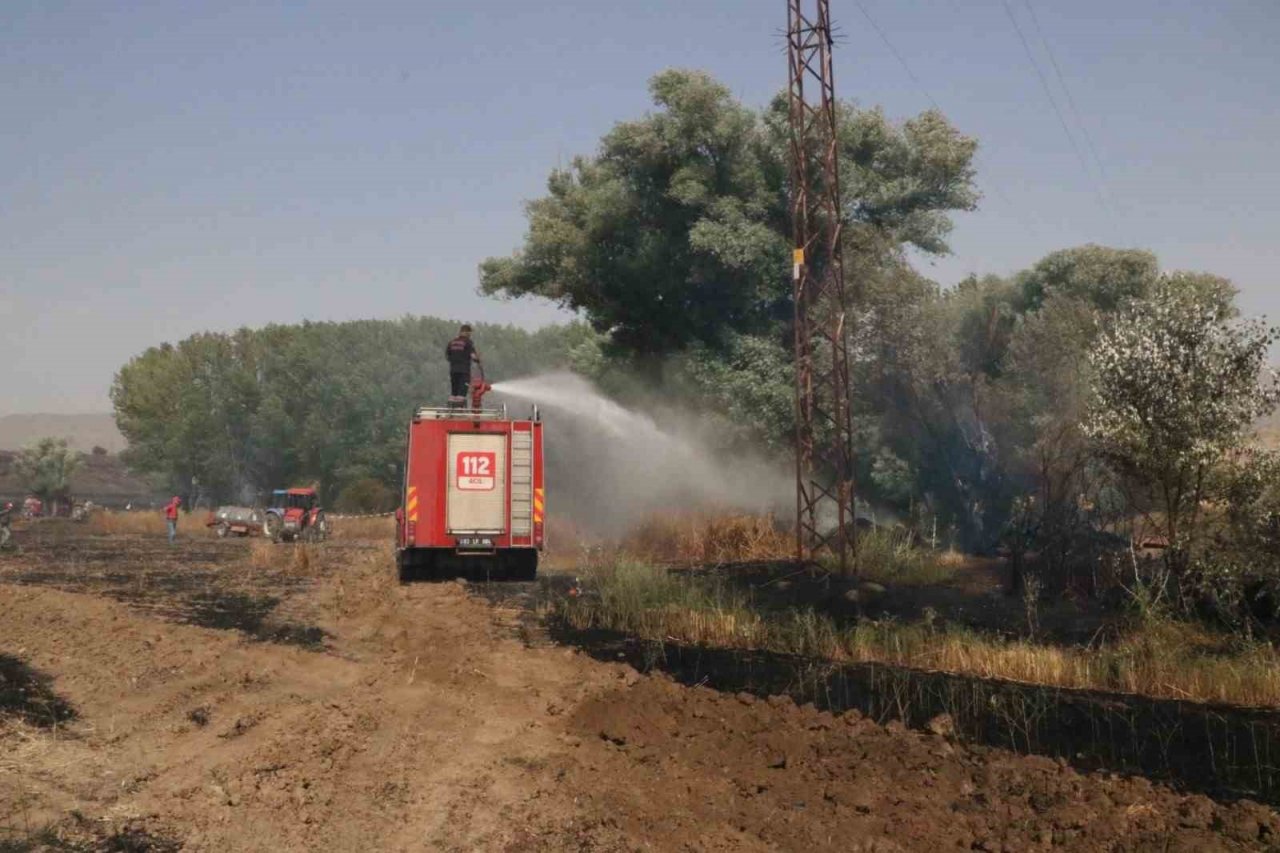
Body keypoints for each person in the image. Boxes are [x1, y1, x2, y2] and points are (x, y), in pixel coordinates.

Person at [445, 324, 482, 400]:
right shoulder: (468, 342)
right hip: (464, 372)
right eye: (470, 333)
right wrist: (478, 360)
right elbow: (473, 356)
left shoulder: (452, 342)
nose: (470, 335)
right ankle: (459, 407)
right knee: (461, 394)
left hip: (453, 371)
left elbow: (447, 357)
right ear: (467, 332)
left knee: (453, 394)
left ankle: (451, 406)